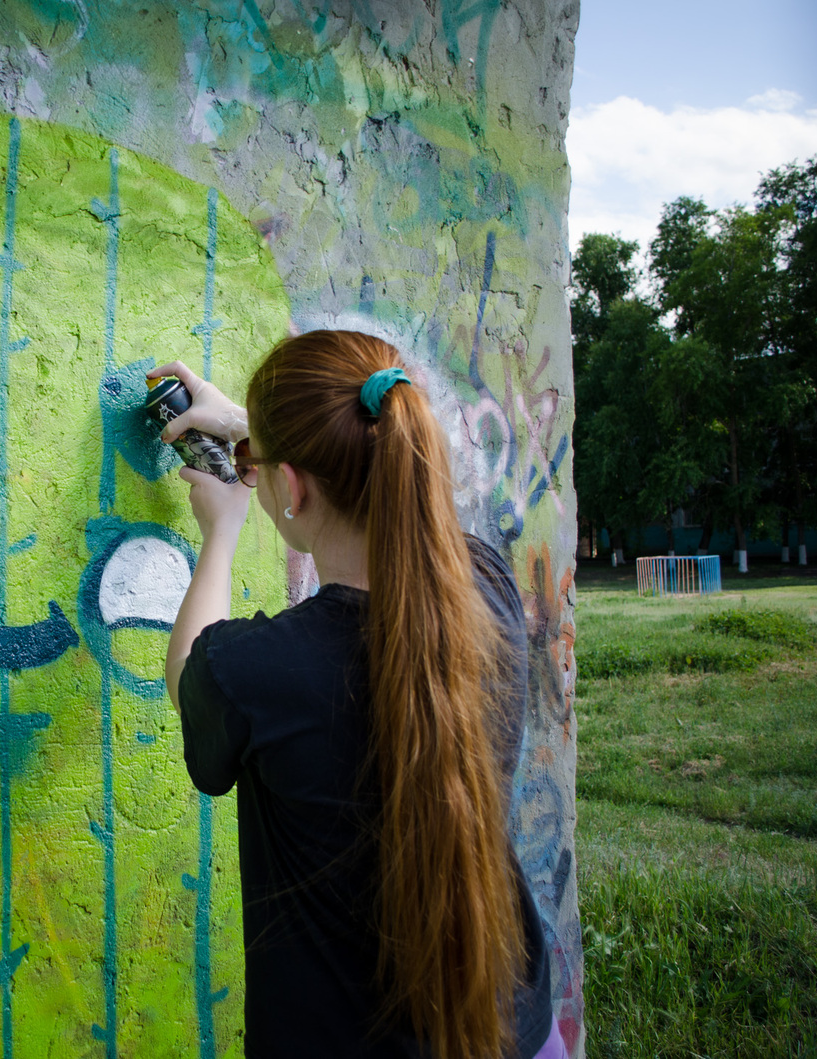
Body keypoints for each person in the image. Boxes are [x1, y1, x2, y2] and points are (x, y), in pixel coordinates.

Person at [151, 330, 565, 1059]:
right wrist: (272, 441)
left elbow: (190, 674)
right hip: (516, 1032)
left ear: (294, 487)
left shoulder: (259, 672)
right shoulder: (490, 589)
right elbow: (385, 475)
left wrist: (225, 525)